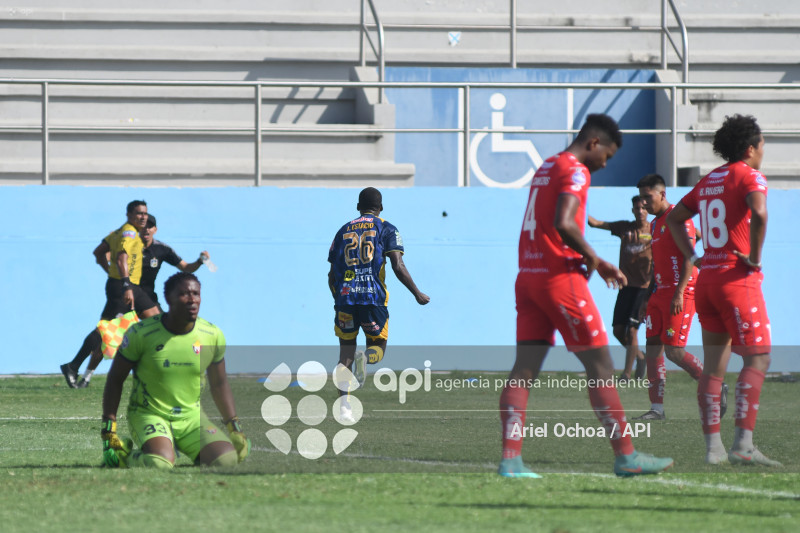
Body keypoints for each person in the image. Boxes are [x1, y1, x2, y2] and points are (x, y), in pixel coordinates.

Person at [498, 114, 674, 478]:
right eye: (606, 155)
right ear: (594, 143)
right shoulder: (576, 170)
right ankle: (627, 456)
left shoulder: (547, 167)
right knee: (601, 367)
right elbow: (564, 222)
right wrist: (596, 259)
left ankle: (510, 460)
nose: (605, 164)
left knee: (523, 370)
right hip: (560, 280)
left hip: (528, 277)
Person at [667, 114, 780, 466]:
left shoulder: (708, 180)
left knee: (714, 369)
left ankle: (713, 450)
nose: (763, 152)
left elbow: (673, 218)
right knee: (757, 358)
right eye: (762, 146)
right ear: (750, 149)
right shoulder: (750, 176)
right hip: (737, 280)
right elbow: (759, 213)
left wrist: (693, 257)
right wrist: (755, 258)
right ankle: (743, 445)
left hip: (708, 282)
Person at [101, 272, 250, 468]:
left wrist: (234, 427)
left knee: (226, 460)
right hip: (149, 415)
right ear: (168, 299)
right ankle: (125, 457)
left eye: (196, 294)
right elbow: (115, 379)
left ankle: (198, 452)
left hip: (191, 418)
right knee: (160, 463)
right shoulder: (141, 333)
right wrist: (109, 429)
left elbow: (219, 383)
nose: (192, 300)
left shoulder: (212, 335)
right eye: (184, 294)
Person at [67, 214, 214, 388]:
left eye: (150, 226)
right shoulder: (128, 243)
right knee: (106, 336)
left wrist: (200, 261)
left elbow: (186, 268)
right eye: (144, 226)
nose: (146, 229)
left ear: (155, 230)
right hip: (126, 297)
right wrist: (112, 245)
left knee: (167, 331)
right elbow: (107, 257)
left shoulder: (162, 249)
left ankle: (177, 371)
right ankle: (86, 377)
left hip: (147, 300)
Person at [327, 187, 430, 419]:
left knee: (345, 354)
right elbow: (397, 266)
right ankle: (366, 358)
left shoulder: (342, 230)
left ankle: (344, 407)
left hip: (345, 298)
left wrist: (339, 299)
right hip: (372, 298)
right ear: (380, 207)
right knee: (378, 346)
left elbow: (332, 275)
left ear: (357, 207)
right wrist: (417, 293)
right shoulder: (387, 228)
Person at [634, 173, 727, 421]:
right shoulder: (655, 224)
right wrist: (646, 297)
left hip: (681, 292)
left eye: (647, 197)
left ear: (662, 194)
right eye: (641, 198)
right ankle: (657, 409)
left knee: (674, 352)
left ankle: (716, 386)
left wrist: (678, 292)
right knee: (652, 348)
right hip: (659, 293)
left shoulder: (678, 218)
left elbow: (689, 256)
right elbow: (657, 264)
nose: (644, 203)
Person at [60, 200, 160, 388]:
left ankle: (160, 368)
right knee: (104, 330)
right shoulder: (129, 233)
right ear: (129, 215)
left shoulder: (118, 232)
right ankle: (73, 366)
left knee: (156, 319)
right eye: (139, 213)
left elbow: (98, 252)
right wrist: (124, 283)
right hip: (124, 287)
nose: (143, 217)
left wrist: (111, 272)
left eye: (145, 213)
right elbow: (122, 258)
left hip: (131, 286)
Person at [587, 196, 652, 381]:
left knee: (632, 331)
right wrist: (577, 204)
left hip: (643, 288)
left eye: (643, 208)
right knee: (617, 331)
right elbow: (594, 223)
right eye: (637, 208)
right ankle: (640, 357)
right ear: (632, 210)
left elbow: (690, 234)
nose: (640, 211)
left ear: (648, 210)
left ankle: (626, 374)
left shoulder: (654, 229)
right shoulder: (625, 228)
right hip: (625, 286)